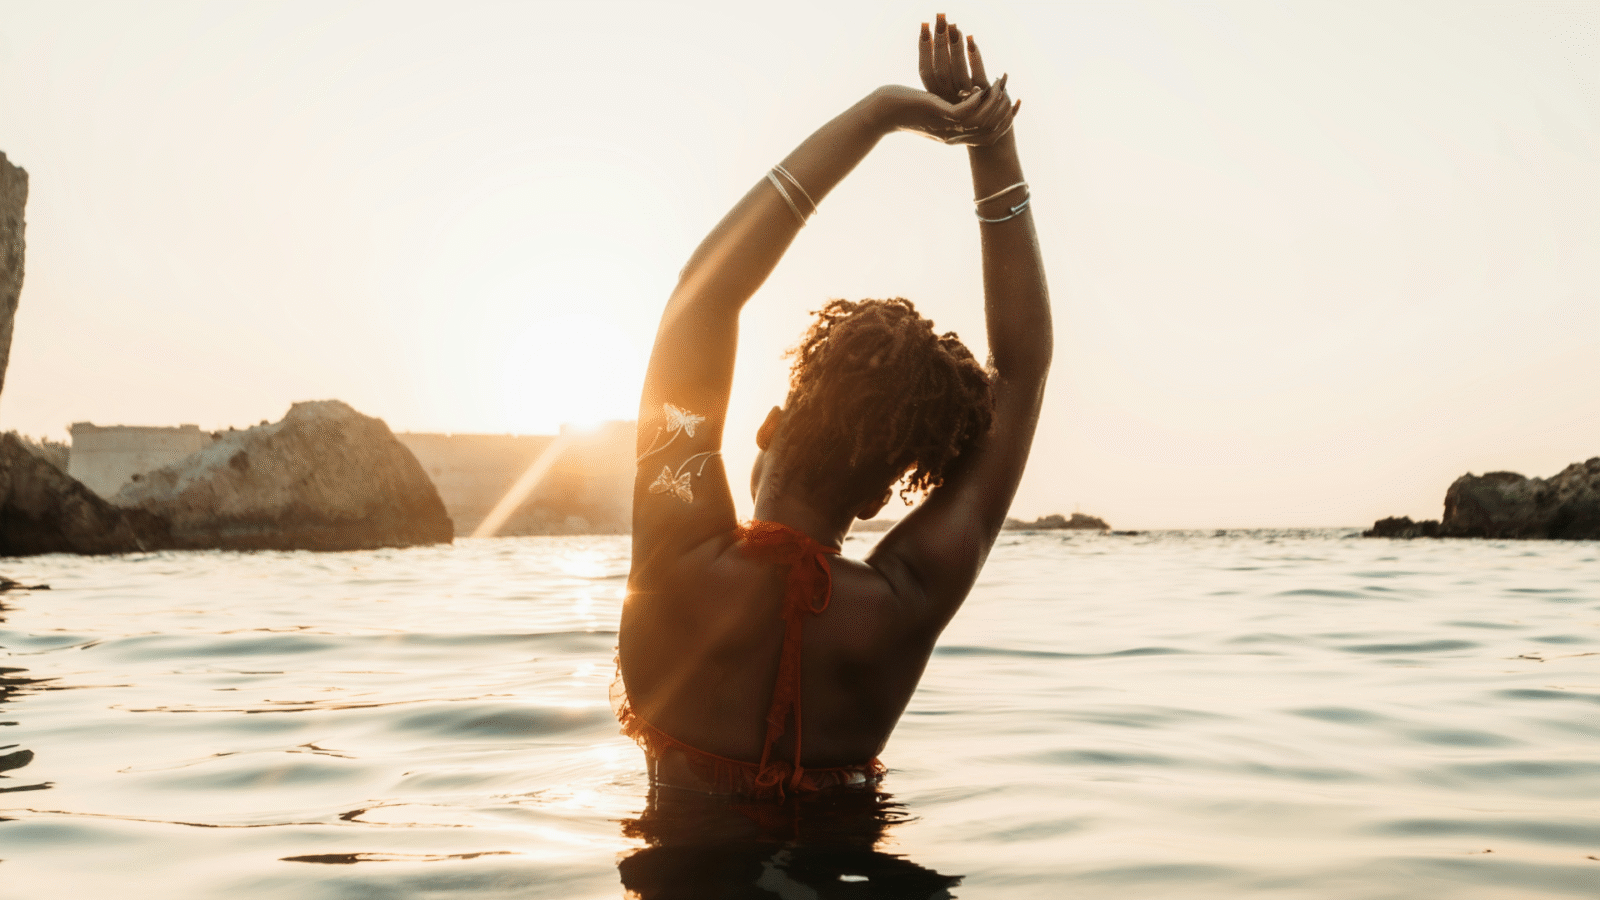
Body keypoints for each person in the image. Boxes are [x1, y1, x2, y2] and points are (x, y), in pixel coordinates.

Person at [615, 15, 1052, 799]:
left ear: (771, 426)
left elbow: (700, 300)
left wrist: (879, 115)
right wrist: (992, 142)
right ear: (886, 493)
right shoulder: (903, 605)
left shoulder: (677, 560)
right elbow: (1023, 372)